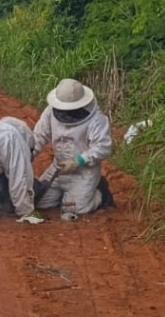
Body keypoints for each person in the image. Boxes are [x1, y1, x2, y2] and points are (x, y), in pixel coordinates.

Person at [33, 78, 114, 220]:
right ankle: (69, 196)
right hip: (58, 167)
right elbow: (39, 135)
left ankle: (101, 193)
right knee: (39, 201)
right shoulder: (51, 112)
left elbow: (103, 147)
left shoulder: (96, 119)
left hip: (84, 171)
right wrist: (30, 153)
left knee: (74, 209)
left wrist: (79, 161)